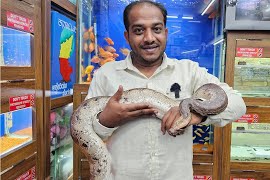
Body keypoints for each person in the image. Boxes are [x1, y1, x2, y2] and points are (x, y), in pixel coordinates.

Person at [86, 0, 246, 179]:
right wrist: (107, 120)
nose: (149, 38)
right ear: (127, 36)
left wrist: (197, 113)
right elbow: (86, 132)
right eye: (139, 30)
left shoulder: (189, 71)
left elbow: (237, 103)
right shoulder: (106, 75)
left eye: (156, 29)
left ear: (166, 33)